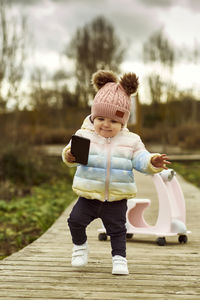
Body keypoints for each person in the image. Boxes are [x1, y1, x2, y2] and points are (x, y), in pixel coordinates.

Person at [62, 70, 170, 275]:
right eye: (100, 118)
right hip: (89, 195)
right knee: (75, 220)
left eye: (113, 121)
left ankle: (119, 259)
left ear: (123, 122)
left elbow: (140, 159)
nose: (106, 124)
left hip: (117, 197)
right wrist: (69, 156)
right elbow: (70, 154)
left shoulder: (131, 141)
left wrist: (152, 161)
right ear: (93, 117)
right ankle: (80, 247)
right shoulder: (84, 135)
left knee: (118, 230)